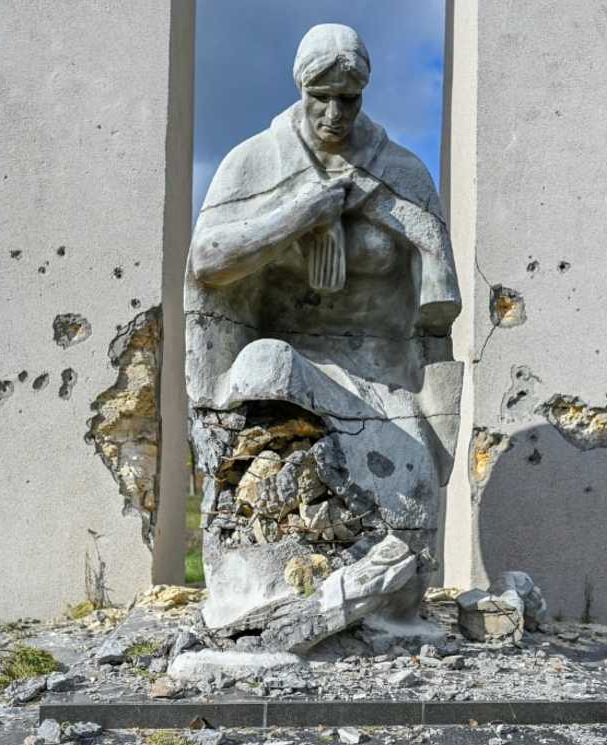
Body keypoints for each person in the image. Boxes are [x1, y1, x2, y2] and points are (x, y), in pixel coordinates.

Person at [185, 24, 462, 637]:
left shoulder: (400, 172)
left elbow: (436, 304)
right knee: (266, 366)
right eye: (321, 97)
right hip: (285, 359)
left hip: (378, 368)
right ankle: (267, 590)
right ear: (300, 89)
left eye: (350, 98)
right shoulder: (256, 162)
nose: (335, 113)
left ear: (364, 95)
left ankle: (374, 604)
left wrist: (426, 249)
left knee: (413, 480)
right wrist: (300, 213)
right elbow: (207, 261)